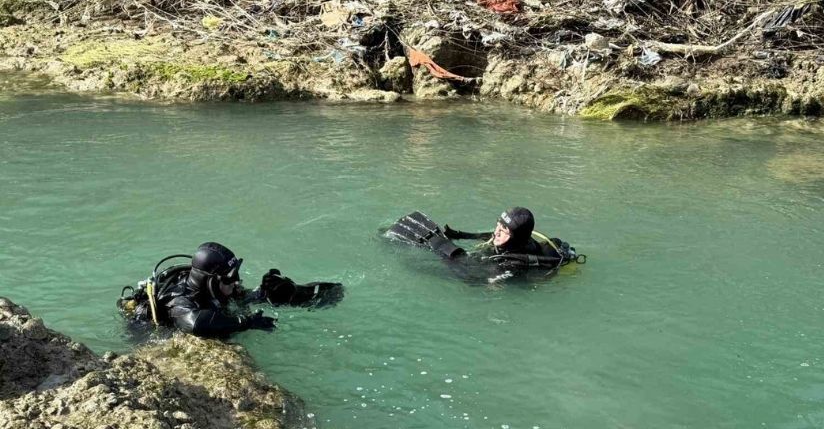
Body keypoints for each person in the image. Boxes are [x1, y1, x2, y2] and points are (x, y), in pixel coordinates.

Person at [118, 242, 344, 336]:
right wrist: (245, 324)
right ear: (211, 281)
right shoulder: (180, 300)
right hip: (149, 334)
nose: (236, 282)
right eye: (230, 278)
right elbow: (194, 323)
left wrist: (266, 292)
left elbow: (238, 299)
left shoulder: (219, 288)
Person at [385, 207, 583, 283]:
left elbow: (472, 279)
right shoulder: (515, 239)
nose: (496, 232)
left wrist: (443, 253)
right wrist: (461, 235)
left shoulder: (512, 262)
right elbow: (490, 236)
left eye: (503, 231)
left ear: (517, 238)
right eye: (498, 225)